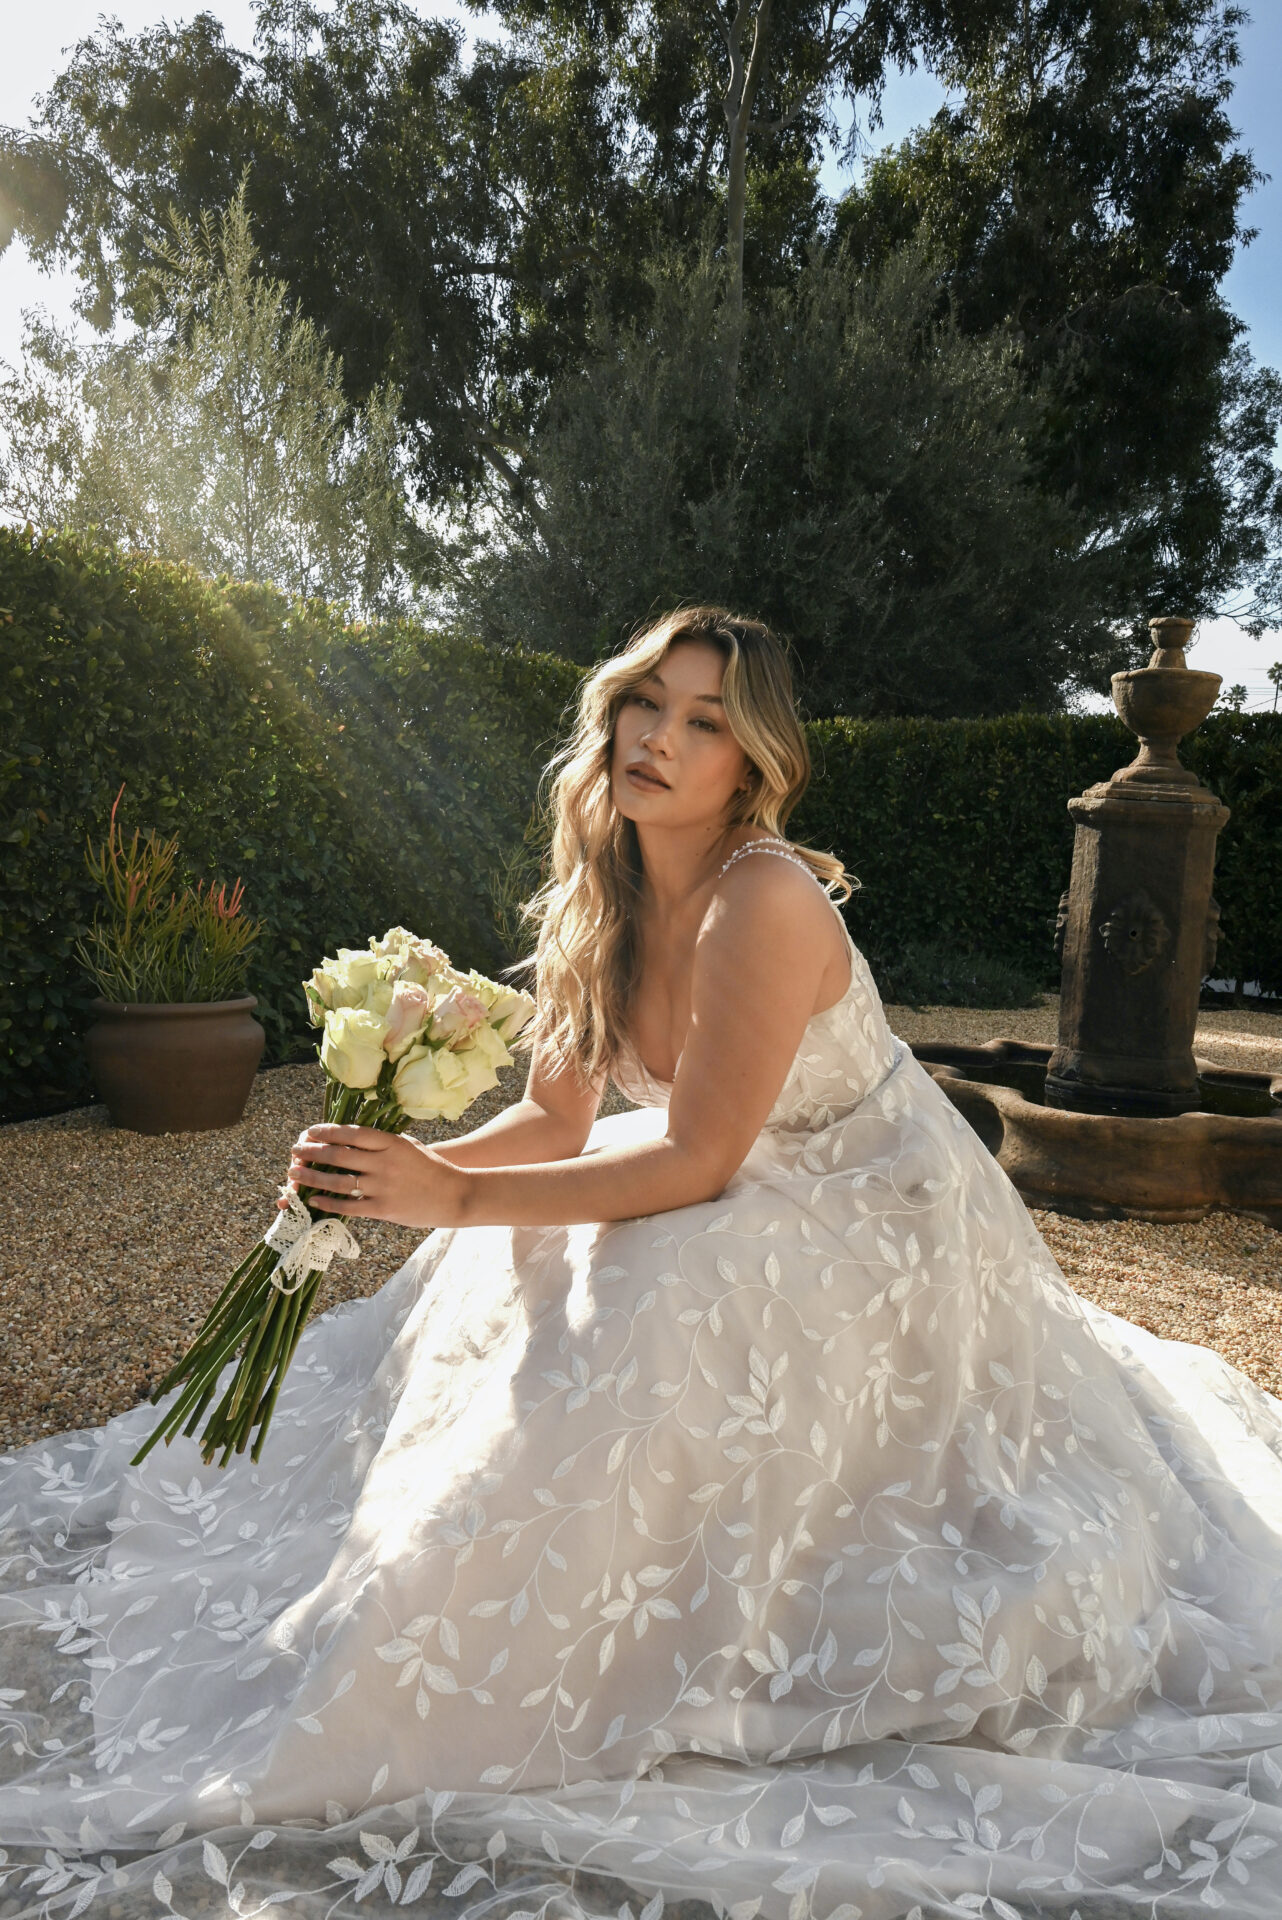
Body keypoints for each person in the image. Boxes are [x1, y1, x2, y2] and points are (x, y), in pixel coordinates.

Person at [1, 607, 1280, 1920]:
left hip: (865, 1204)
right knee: (496, 1259)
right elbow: (555, 1122)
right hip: (725, 1167)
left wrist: (456, 1192)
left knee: (656, 1295)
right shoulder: (598, 889)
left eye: (705, 722)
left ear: (753, 763)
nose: (659, 740)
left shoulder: (763, 901)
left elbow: (699, 1161)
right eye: (645, 705)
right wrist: (388, 1177)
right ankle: (426, 1594)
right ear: (609, 711)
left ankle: (601, 1637)